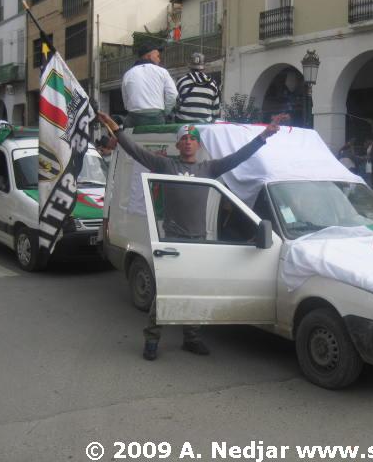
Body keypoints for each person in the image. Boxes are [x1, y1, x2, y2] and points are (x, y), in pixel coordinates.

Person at [96, 111, 288, 360]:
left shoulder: (209, 168)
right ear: (178, 145)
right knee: (166, 293)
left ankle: (191, 338)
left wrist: (264, 136)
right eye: (184, 139)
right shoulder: (166, 166)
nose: (188, 142)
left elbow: (238, 158)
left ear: (198, 145)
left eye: (192, 138)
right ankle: (152, 339)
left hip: (198, 242)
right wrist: (116, 129)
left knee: (195, 292)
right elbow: (135, 151)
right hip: (173, 242)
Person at [121, 43, 178, 128]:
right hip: (157, 116)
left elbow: (126, 101)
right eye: (157, 56)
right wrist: (165, 112)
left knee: (124, 130)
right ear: (149, 56)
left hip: (135, 116)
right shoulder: (162, 71)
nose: (159, 60)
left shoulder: (128, 74)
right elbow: (173, 94)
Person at [174, 52, 221, 123]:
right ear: (203, 66)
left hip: (183, 124)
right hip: (205, 124)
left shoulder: (182, 81)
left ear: (189, 66)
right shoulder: (212, 84)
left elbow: (174, 103)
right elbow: (216, 110)